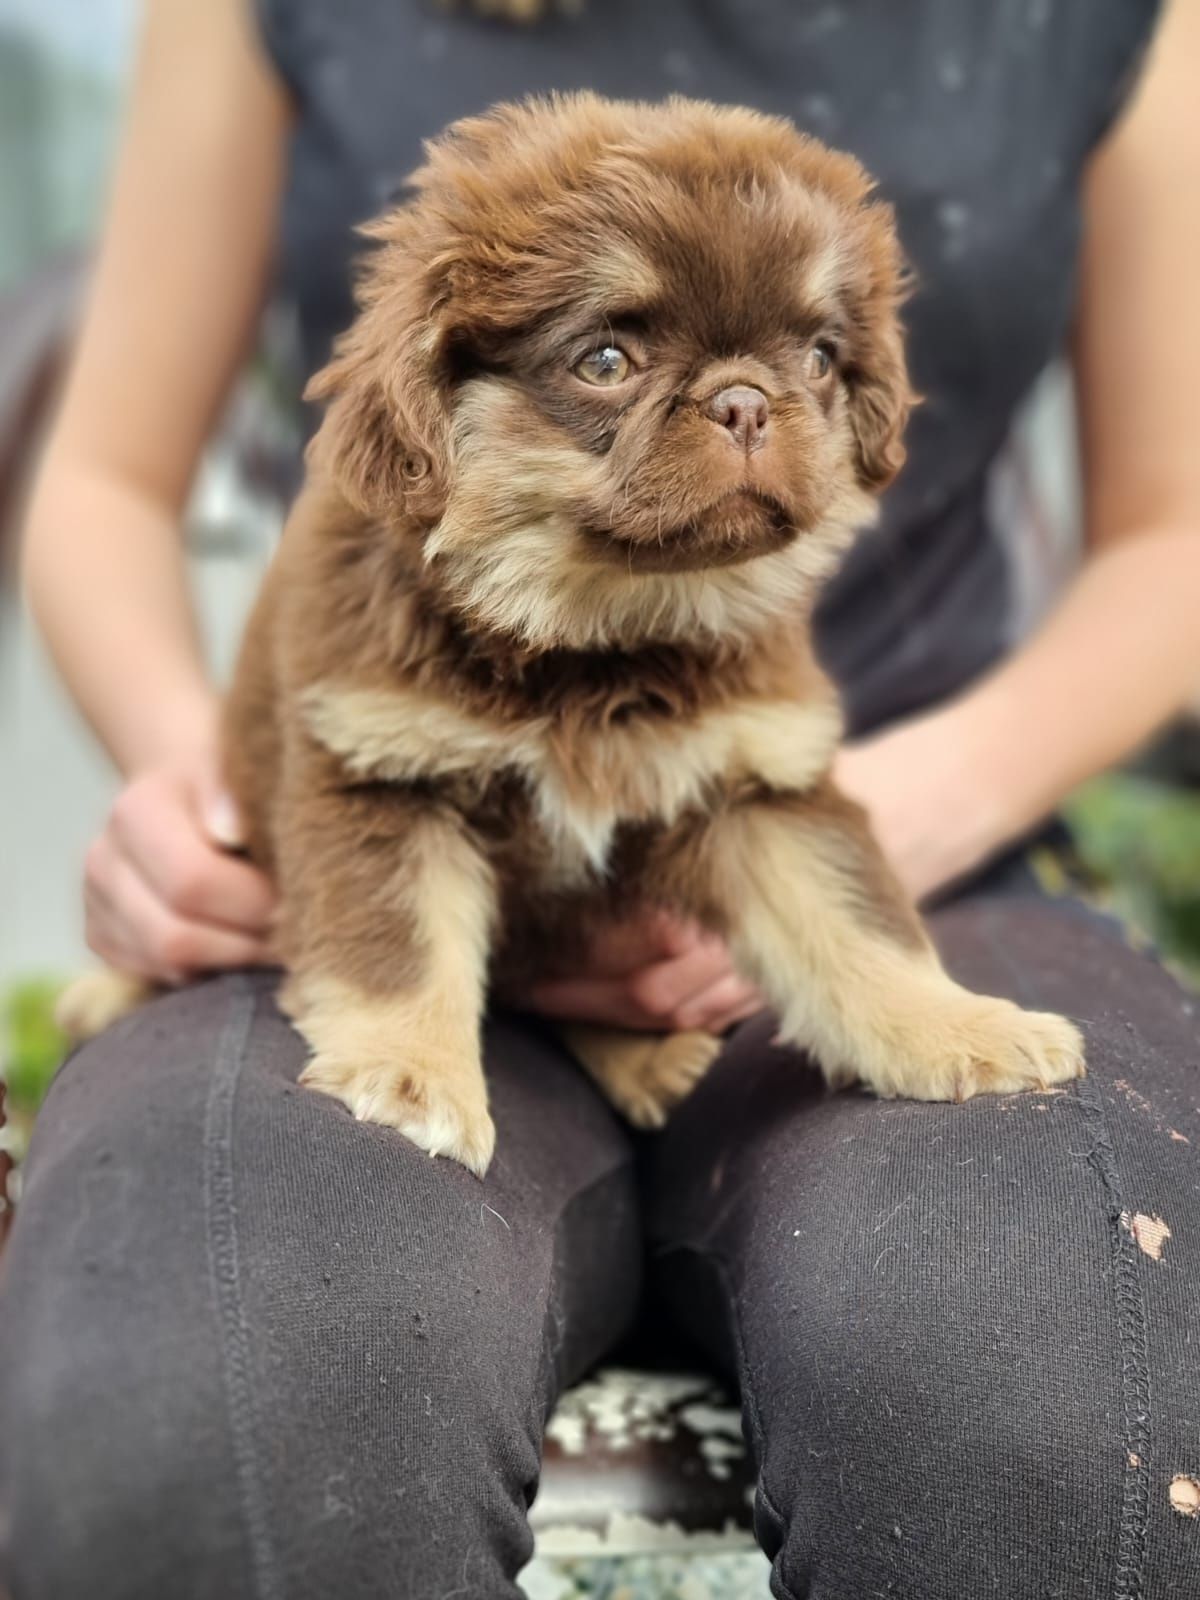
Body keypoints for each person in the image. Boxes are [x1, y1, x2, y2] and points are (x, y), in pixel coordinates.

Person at [2, 1, 1199, 1595]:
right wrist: (206, 805)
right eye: (618, 354)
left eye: (810, 358)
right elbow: (106, 483)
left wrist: (910, 813)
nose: (744, 410)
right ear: (431, 405)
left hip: (932, 816)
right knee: (213, 1392)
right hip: (354, 918)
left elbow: (1175, 528)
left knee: (1054, 1383)